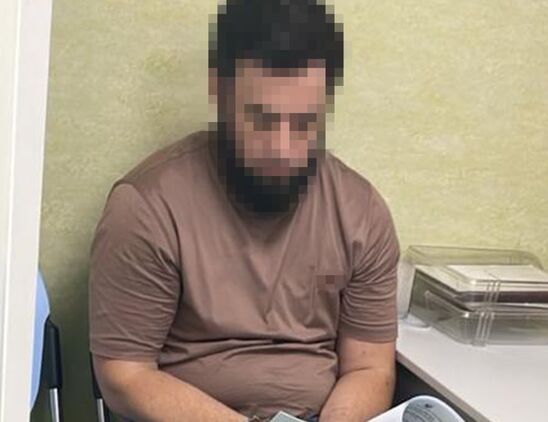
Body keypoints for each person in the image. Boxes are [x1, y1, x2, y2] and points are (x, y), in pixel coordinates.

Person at [89, 1, 400, 420]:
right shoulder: (147, 207)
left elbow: (369, 368)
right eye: (262, 120)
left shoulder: (361, 212)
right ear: (219, 91)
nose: (283, 149)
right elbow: (124, 376)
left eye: (305, 123)